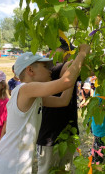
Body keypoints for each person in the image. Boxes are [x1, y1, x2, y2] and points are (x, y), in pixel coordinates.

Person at [0, 44, 91, 174]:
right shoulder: (25, 89)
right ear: (30, 70)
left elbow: (63, 101)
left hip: (16, 162)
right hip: (10, 165)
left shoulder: (31, 96)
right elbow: (65, 82)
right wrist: (82, 53)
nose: (50, 70)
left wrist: (71, 74)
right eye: (45, 66)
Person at [36, 38, 81, 174]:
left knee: (64, 170)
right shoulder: (51, 70)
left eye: (70, 50)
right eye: (65, 49)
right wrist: (83, 53)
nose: (69, 53)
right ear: (51, 51)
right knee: (47, 170)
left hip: (68, 131)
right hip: (50, 134)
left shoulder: (73, 69)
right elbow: (71, 68)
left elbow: (90, 69)